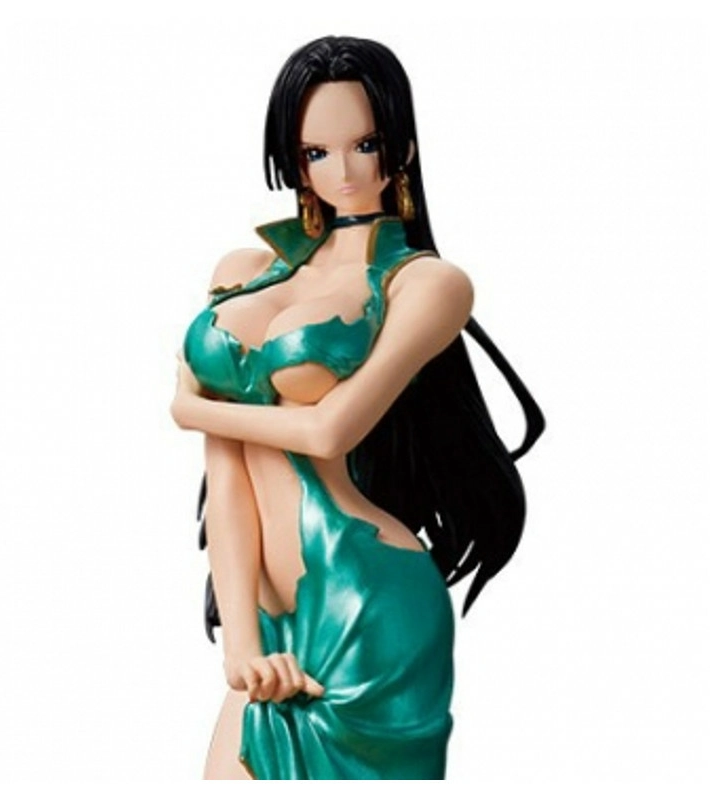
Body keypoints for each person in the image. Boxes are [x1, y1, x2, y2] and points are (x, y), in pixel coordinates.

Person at [170, 36, 545, 781]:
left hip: (370, 604)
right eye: (315, 152)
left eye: (364, 145)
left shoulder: (426, 284)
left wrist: (192, 410)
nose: (341, 172)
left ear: (400, 148)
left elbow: (327, 430)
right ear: (292, 159)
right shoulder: (244, 271)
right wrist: (240, 642)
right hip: (269, 617)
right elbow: (230, 472)